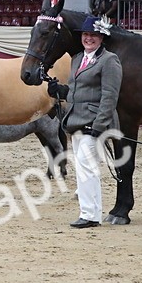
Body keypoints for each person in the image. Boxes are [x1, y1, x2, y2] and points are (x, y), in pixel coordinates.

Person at [48, 15, 121, 228]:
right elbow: (76, 91)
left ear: (102, 38)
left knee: (86, 167)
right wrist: (61, 91)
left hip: (94, 122)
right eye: (86, 35)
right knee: (84, 168)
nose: (89, 39)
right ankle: (92, 212)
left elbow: (110, 96)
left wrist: (99, 126)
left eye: (94, 36)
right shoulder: (77, 59)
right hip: (76, 121)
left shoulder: (109, 60)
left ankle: (89, 214)